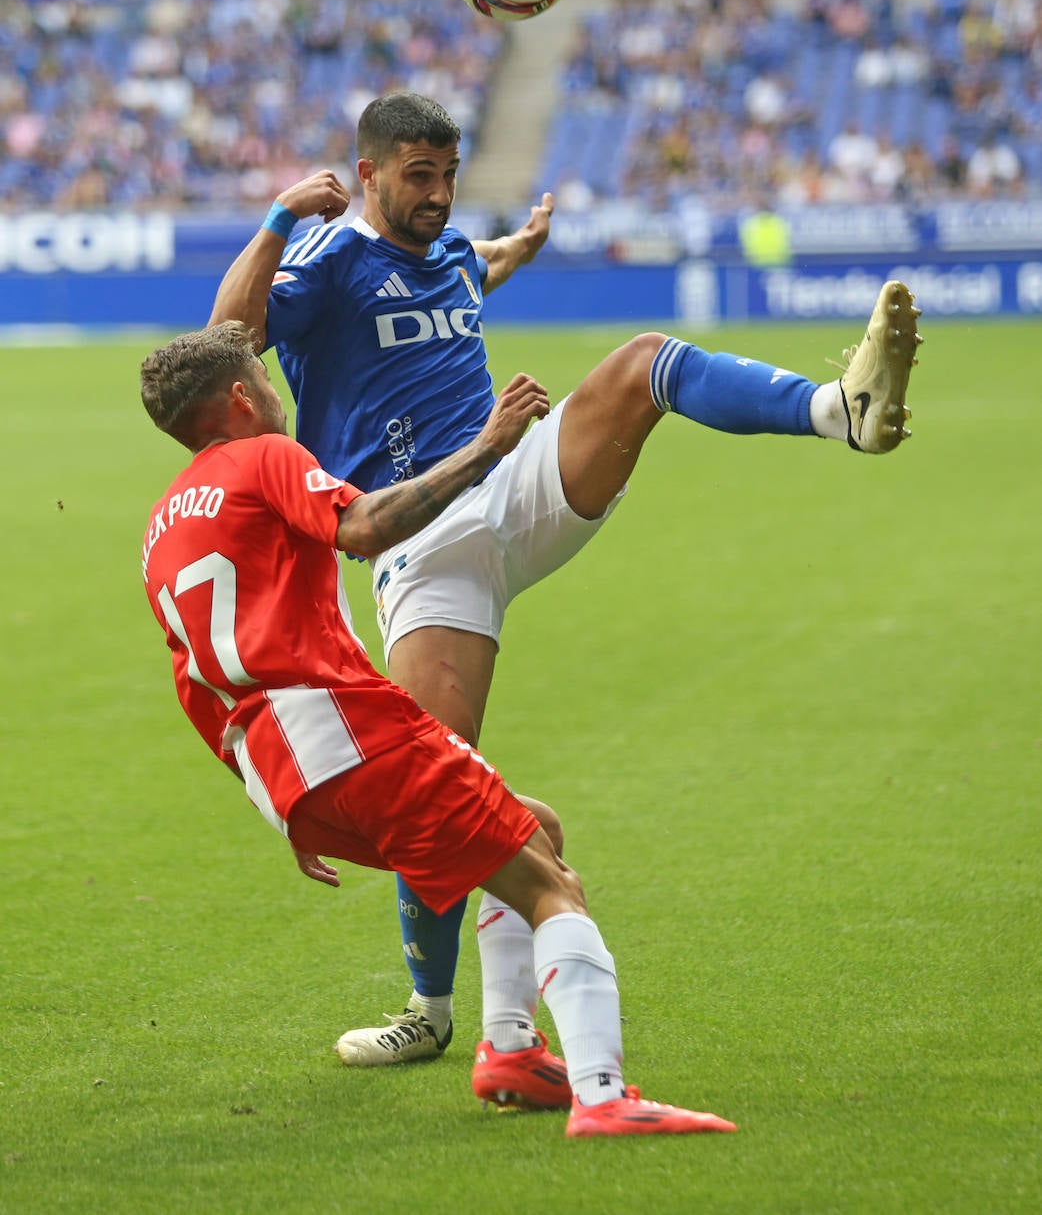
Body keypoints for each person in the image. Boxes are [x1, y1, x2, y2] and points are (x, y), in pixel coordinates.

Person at [208, 90, 922, 1100]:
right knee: (443, 792)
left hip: (517, 479)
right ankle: (445, 1016)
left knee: (643, 365)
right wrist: (280, 216)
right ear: (366, 174)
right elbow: (226, 344)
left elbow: (471, 269)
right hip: (422, 540)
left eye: (449, 175)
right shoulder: (324, 267)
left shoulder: (451, 251)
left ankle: (836, 410)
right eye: (418, 176)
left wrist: (518, 248)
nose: (440, 195)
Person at [139, 321, 738, 1139]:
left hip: (292, 779)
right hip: (355, 736)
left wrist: (284, 799)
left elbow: (199, 682)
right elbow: (362, 528)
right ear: (241, 397)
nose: (280, 397)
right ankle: (605, 1097)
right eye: (267, 383)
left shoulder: (163, 523)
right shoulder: (265, 457)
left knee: (536, 831)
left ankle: (512, 1051)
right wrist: (488, 446)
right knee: (551, 888)